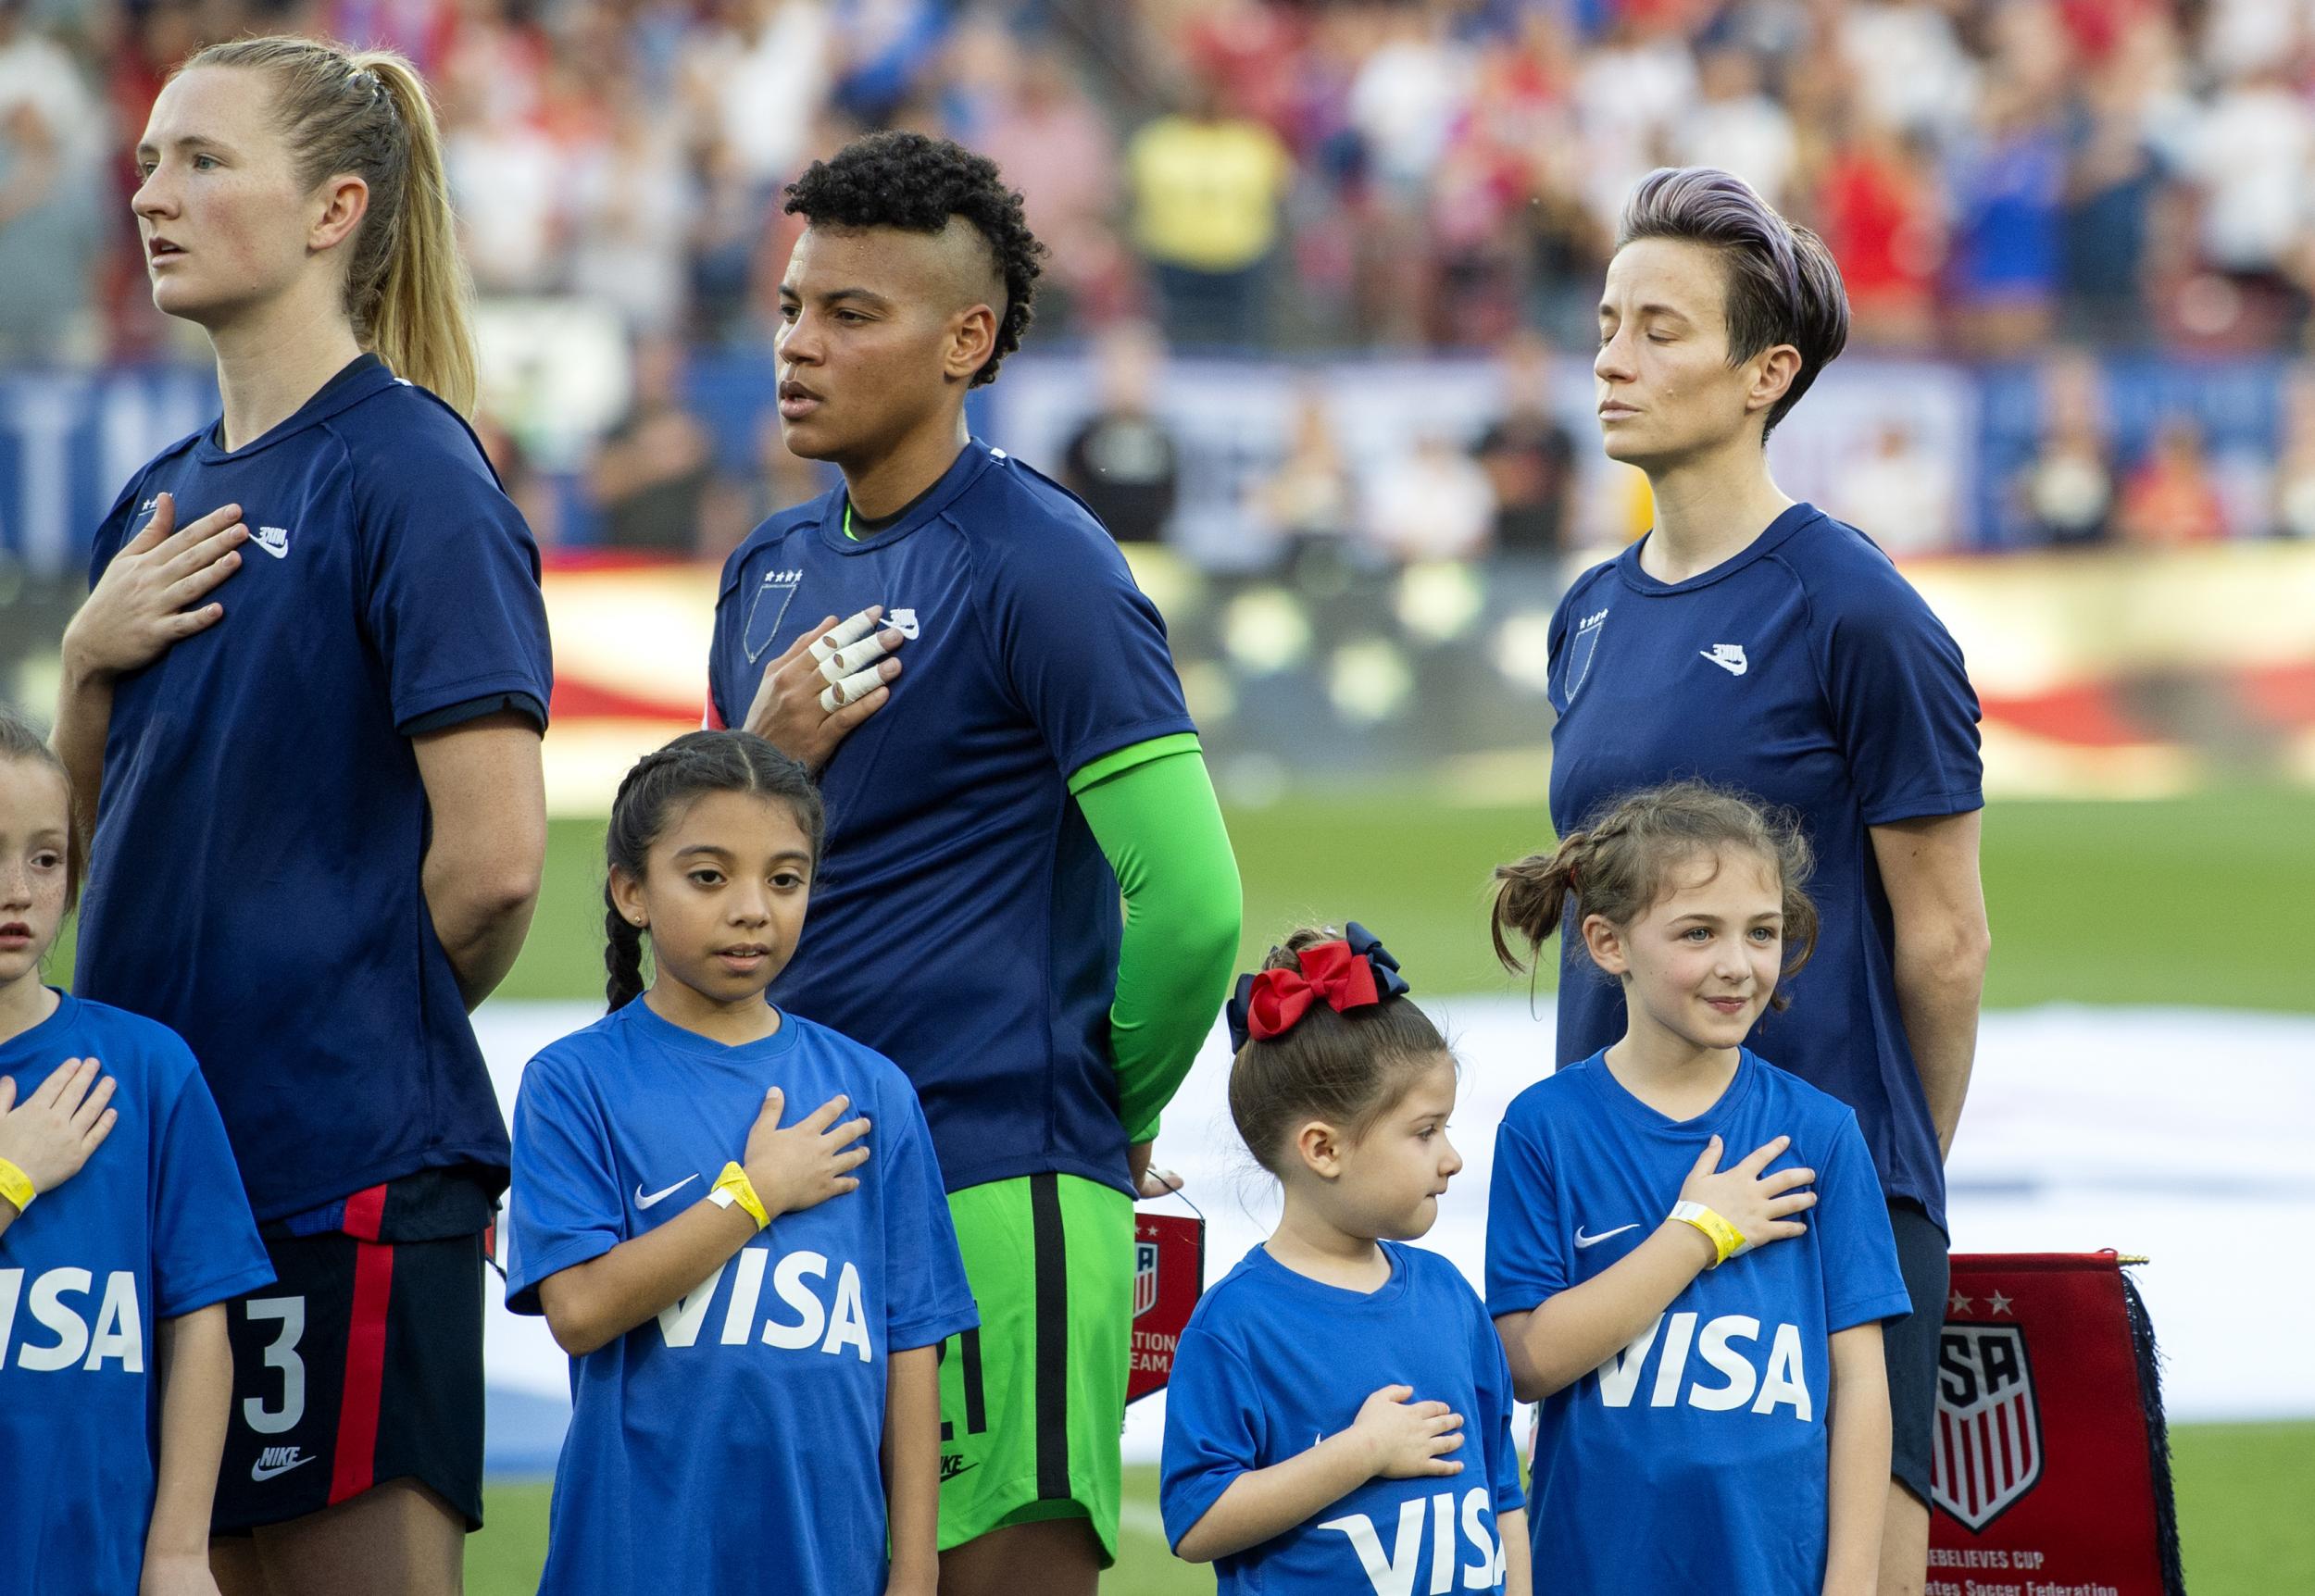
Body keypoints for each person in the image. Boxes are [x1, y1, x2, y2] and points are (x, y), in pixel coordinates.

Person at [703, 131, 1242, 1594]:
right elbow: (710, 893)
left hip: (997, 1200)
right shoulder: (768, 572)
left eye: (850, 315)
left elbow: (1193, 910)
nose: (799, 346)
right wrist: (761, 757)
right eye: (792, 308)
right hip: (793, 1188)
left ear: (969, 339)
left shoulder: (1044, 564)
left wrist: (1089, 1104)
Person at [50, 37, 553, 1594]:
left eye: (205, 160)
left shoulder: (413, 473)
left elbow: (494, 864)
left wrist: (337, 1034)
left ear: (337, 206)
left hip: (339, 1179)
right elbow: (57, 874)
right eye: (146, 161)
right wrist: (81, 668)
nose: (154, 193)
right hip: (145, 1180)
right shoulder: (152, 493)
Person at [1554, 167, 1988, 1596]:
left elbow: (1944, 942)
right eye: (1609, 321)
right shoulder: (1589, 614)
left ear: (1766, 374)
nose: (1613, 357)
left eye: (1661, 330)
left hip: (1817, 1204)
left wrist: (1887, 1192)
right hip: (1608, 1199)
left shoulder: (1856, 609)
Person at [507, 730, 976, 1595]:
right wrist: (754, 1195)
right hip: (638, 1560)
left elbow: (912, 1345)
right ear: (632, 892)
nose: (752, 908)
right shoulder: (573, 1082)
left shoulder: (871, 1089)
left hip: (824, 1563)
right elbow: (576, 1309)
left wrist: (914, 1572)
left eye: (784, 879)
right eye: (709, 876)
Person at [1486, 782, 1909, 1594]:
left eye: (1761, 933)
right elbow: (1526, 1361)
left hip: (1773, 1571)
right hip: (1598, 1566)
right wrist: (1699, 1234)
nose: (1737, 965)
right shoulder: (1545, 1128)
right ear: (1609, 944)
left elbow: (1859, 1382)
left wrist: (1854, 1578)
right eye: (1697, 932)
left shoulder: (1820, 1133)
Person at [1159, 927, 1530, 1596]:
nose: (1452, 1158)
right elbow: (1196, 1520)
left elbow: (1502, 1493)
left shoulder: (1449, 1296)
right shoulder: (1237, 1324)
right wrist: (1360, 1452)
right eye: (1424, 1132)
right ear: (1323, 1150)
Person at [0, 714, 274, 1596]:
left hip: (100, 1557)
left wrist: (179, 1550)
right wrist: (13, 1174)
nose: (18, 889)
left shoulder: (148, 1068)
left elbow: (198, 1319)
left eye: (45, 858)